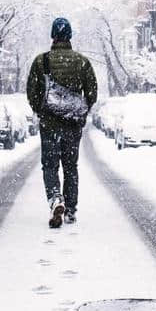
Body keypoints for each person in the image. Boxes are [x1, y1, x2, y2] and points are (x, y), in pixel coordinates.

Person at [26, 17, 98, 228]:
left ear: (52, 36)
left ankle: (55, 198)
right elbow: (92, 92)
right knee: (70, 167)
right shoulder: (82, 62)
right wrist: (81, 112)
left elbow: (32, 92)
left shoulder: (42, 61)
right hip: (72, 125)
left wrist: (41, 110)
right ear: (70, 36)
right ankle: (71, 211)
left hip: (49, 124)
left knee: (49, 166)